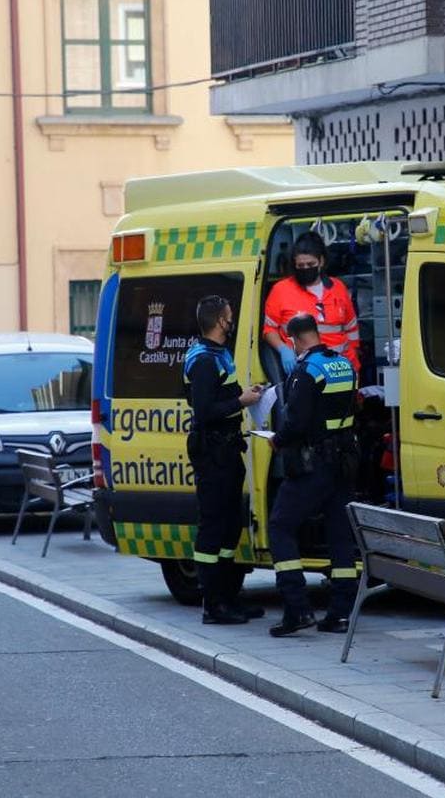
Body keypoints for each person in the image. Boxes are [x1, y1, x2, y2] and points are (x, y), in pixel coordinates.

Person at [266, 313, 360, 637]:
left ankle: (297, 607)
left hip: (312, 465)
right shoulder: (344, 365)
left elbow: (296, 423)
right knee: (340, 536)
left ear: (294, 340)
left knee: (280, 525)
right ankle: (340, 613)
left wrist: (277, 440)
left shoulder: (305, 372)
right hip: (343, 463)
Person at [183, 295, 265, 625]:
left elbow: (222, 398)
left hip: (228, 450)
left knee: (231, 527)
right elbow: (205, 411)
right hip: (212, 452)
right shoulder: (203, 359)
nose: (232, 321)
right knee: (214, 528)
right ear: (220, 322)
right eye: (229, 317)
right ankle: (212, 604)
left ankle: (229, 596)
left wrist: (246, 394)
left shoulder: (219, 354)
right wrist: (241, 401)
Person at [263, 231, 361, 378]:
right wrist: (283, 349)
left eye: (310, 264)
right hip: (305, 371)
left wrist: (353, 359)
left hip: (341, 369)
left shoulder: (338, 288)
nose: (305, 269)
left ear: (321, 261)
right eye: (300, 265)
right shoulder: (281, 290)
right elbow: (268, 328)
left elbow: (351, 328)